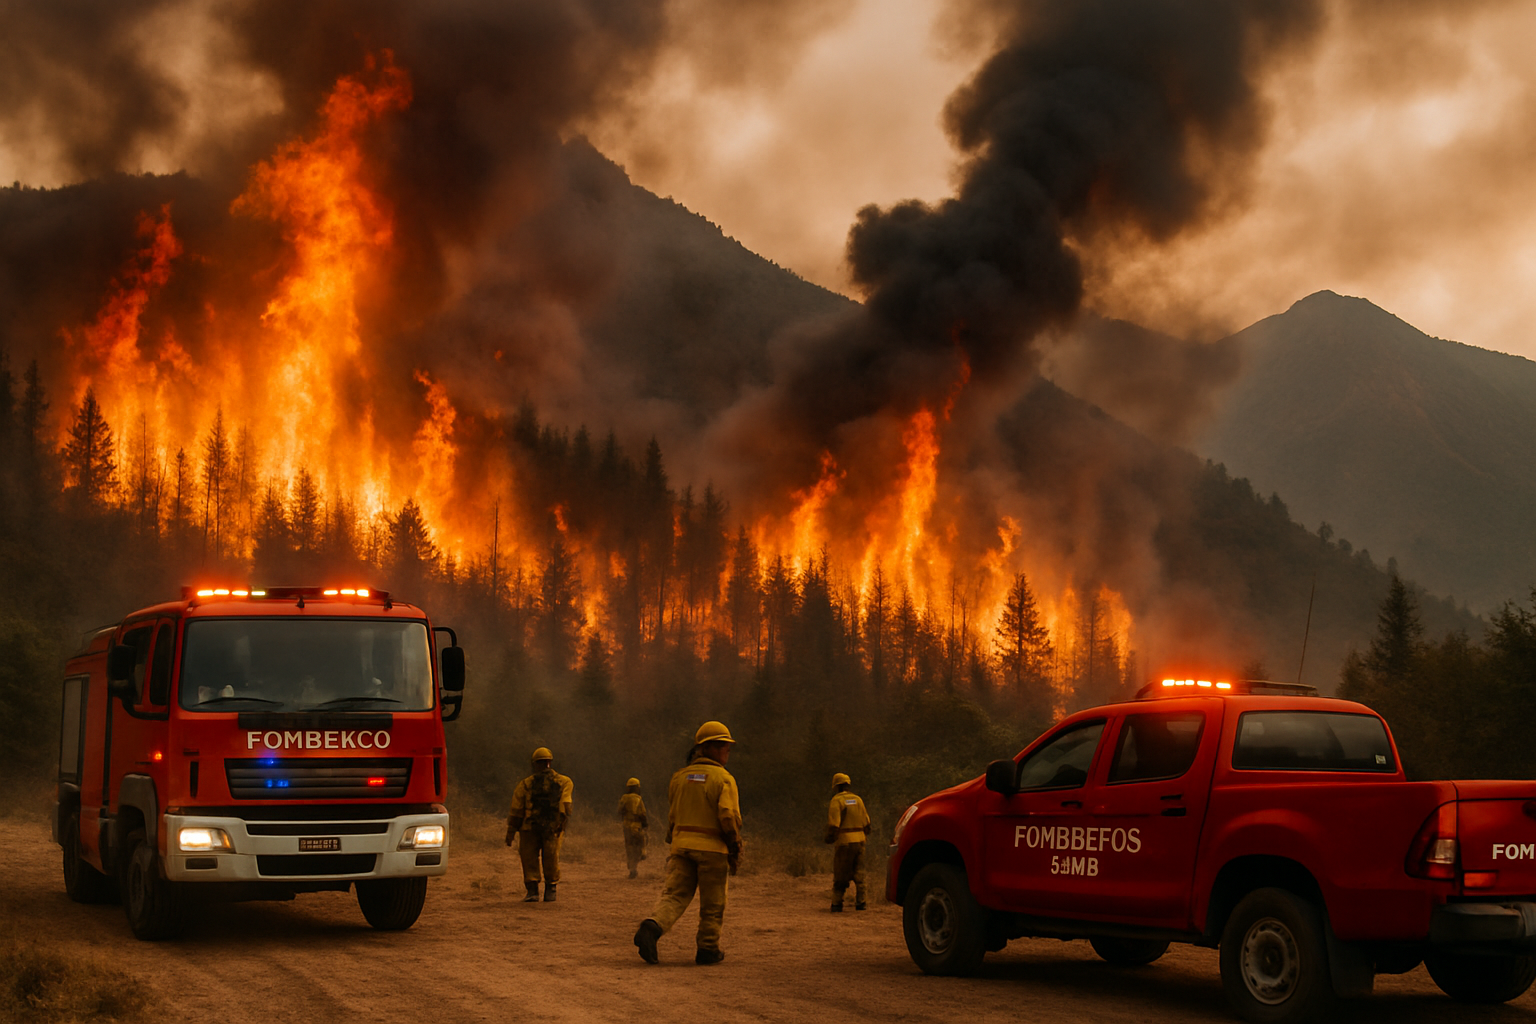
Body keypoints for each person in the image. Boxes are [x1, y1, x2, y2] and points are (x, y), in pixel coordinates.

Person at [634, 721, 743, 965]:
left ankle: (652, 928)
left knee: (674, 895)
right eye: (724, 746)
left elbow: (673, 815)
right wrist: (734, 848)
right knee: (713, 903)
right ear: (710, 748)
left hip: (682, 846)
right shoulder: (724, 779)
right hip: (713, 850)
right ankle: (707, 949)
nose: (727, 751)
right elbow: (728, 817)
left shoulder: (679, 777)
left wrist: (673, 843)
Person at [504, 746, 574, 902]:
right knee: (551, 857)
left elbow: (516, 810)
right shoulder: (564, 781)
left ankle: (532, 891)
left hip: (529, 828)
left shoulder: (525, 784)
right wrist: (562, 823)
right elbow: (566, 805)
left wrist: (511, 832)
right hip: (552, 828)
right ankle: (551, 890)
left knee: (529, 858)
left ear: (534, 764)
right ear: (550, 762)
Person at [825, 772, 871, 912]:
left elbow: (834, 825)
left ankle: (837, 903)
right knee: (859, 873)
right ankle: (861, 903)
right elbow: (867, 824)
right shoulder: (858, 800)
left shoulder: (836, 801)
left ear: (836, 786)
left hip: (844, 843)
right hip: (860, 841)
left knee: (840, 874)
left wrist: (829, 838)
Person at [618, 777, 649, 879]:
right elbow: (642, 813)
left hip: (626, 826)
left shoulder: (624, 798)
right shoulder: (638, 799)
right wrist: (645, 824)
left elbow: (619, 811)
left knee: (629, 848)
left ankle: (632, 869)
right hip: (636, 826)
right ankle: (642, 854)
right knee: (640, 843)